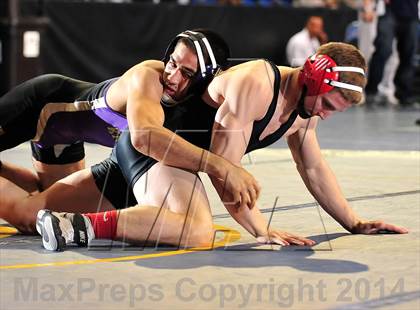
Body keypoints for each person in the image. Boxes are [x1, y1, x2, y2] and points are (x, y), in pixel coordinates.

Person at [37, 42, 408, 251]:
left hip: (171, 164)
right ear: (312, 79)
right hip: (161, 151)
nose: (326, 116)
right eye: (327, 105)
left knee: (30, 211)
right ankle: (77, 228)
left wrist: (354, 222)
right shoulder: (257, 84)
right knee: (196, 232)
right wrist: (261, 229)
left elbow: (313, 168)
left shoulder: (304, 110)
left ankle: (54, 219)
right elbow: (224, 169)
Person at [0, 29, 261, 234]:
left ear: (205, 79)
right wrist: (221, 166)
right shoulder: (148, 76)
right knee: (28, 215)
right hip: (42, 107)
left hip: (64, 138)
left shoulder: (195, 105)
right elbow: (144, 137)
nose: (172, 76)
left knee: (38, 211)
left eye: (186, 73)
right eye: (172, 63)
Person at [364, 0, 419, 107]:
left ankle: (403, 95)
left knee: (408, 55)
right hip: (388, 12)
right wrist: (368, 8)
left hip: (411, 14)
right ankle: (371, 92)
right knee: (383, 50)